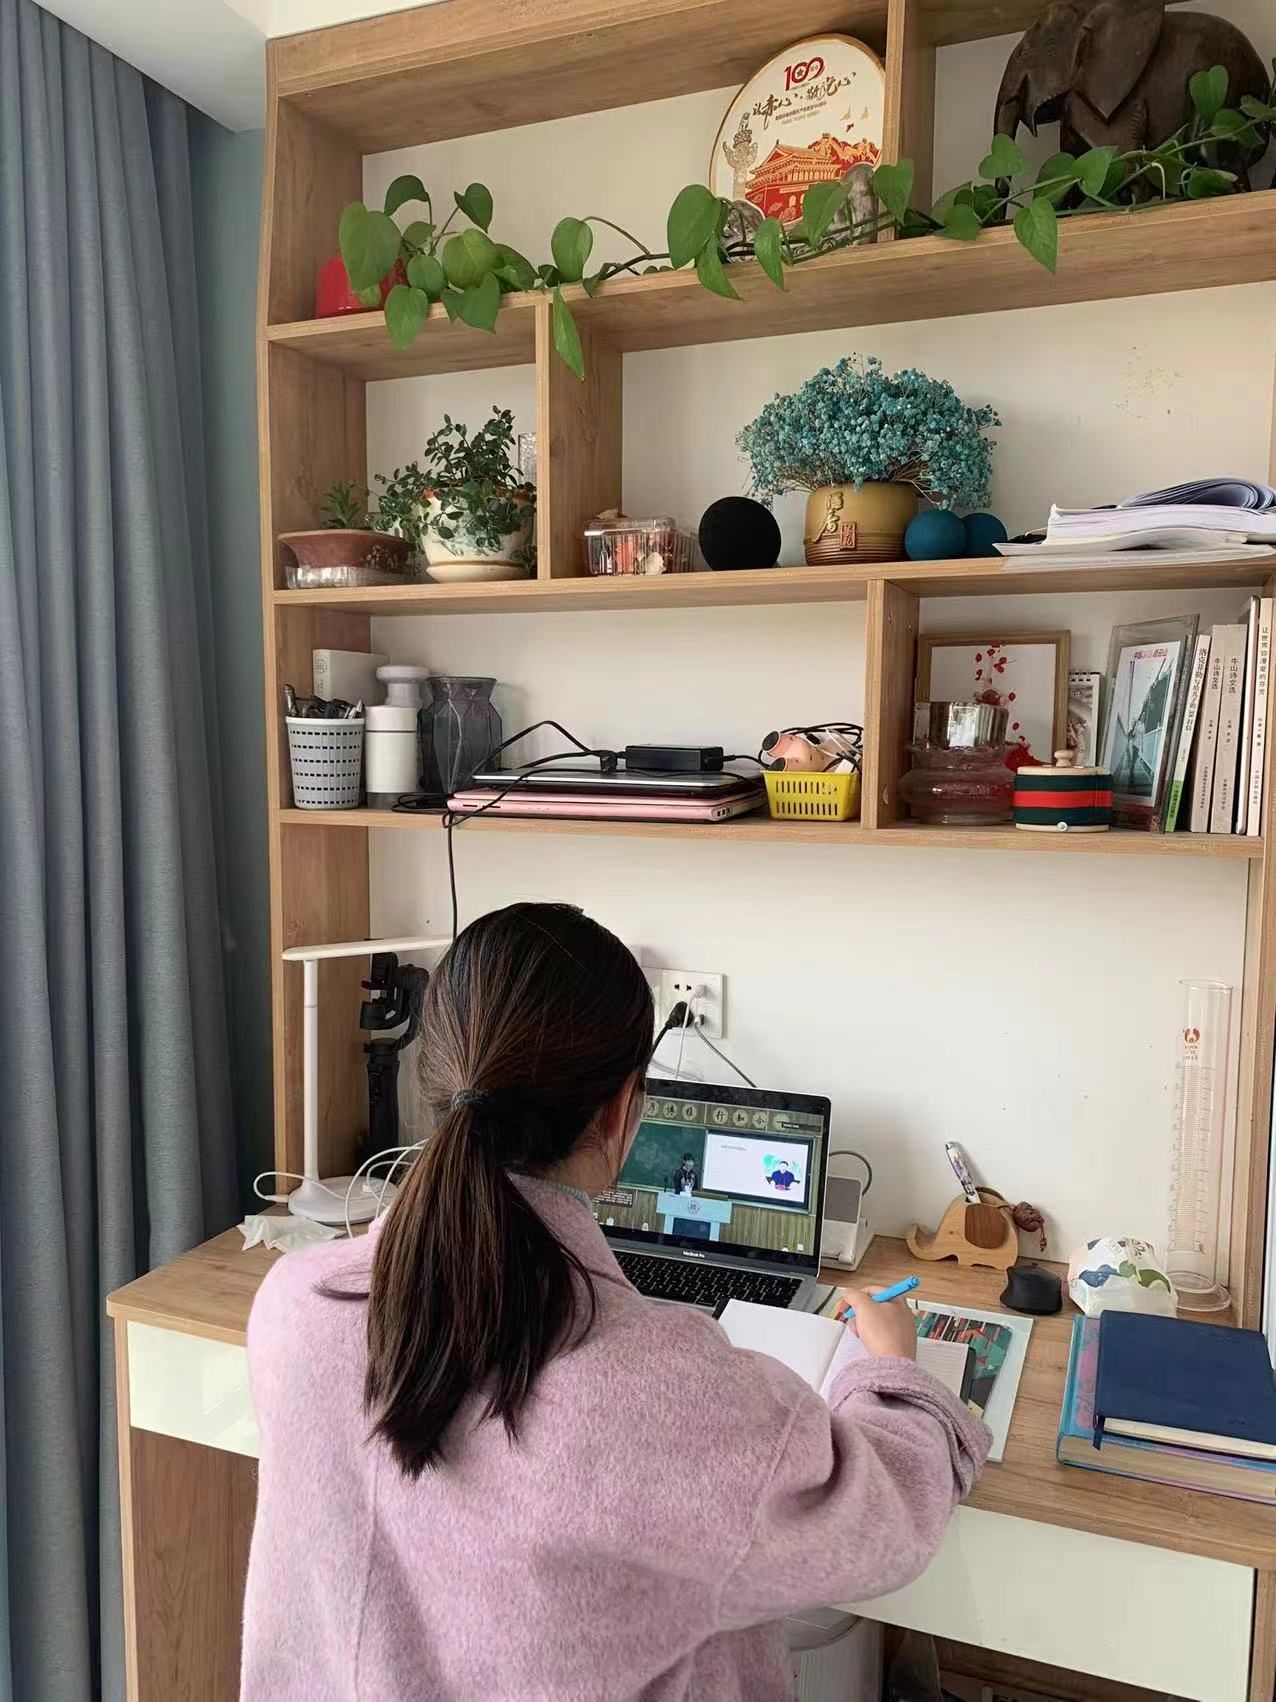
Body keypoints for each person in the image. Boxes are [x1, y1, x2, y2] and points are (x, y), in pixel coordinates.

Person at [242, 903, 989, 1702]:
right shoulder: (658, 1395)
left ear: (436, 1080)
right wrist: (892, 1373)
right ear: (623, 1108)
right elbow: (884, 1523)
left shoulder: (293, 1305)